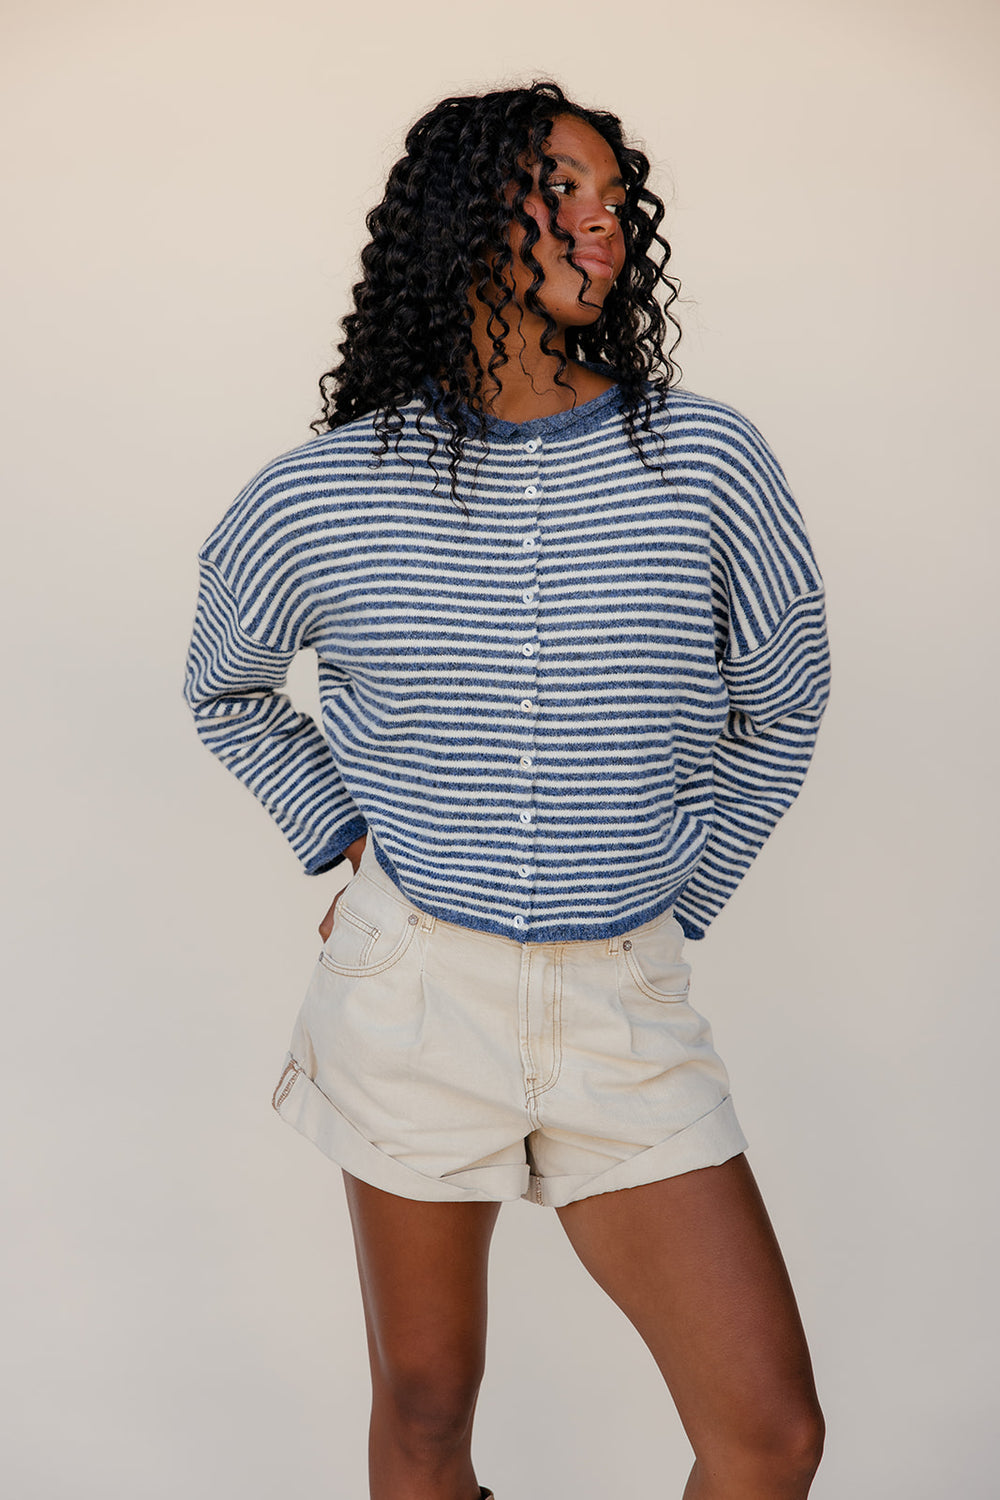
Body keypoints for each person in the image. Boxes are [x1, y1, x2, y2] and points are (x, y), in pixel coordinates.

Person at [184, 80, 830, 1500]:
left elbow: (784, 697)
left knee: (770, 1436)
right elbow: (221, 685)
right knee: (425, 1405)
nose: (603, 227)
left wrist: (683, 882)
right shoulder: (325, 491)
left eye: (618, 201)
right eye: (566, 191)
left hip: (625, 1005)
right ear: (463, 216)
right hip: (415, 997)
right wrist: (339, 826)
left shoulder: (704, 461)